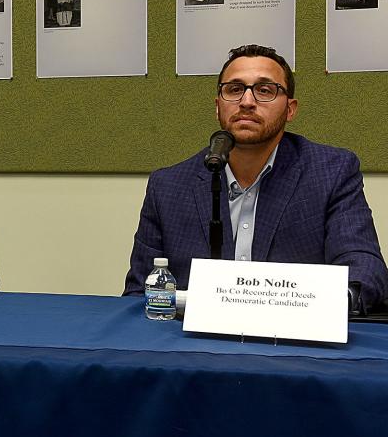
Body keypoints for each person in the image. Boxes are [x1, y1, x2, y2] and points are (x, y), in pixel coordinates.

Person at [124, 44, 388, 313]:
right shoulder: (168, 186)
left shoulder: (331, 172)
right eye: (234, 89)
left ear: (290, 109)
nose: (247, 102)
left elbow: (363, 265)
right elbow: (138, 293)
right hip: (192, 345)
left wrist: (325, 305)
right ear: (218, 107)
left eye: (265, 90)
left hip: (293, 342)